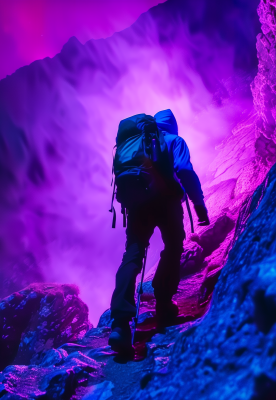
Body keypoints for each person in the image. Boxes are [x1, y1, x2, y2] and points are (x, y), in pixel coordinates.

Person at [108, 109, 210, 354]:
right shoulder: (174, 141)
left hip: (136, 205)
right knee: (174, 247)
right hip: (167, 203)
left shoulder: (136, 144)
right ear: (172, 125)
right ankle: (164, 304)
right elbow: (184, 171)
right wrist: (199, 205)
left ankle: (120, 324)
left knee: (132, 255)